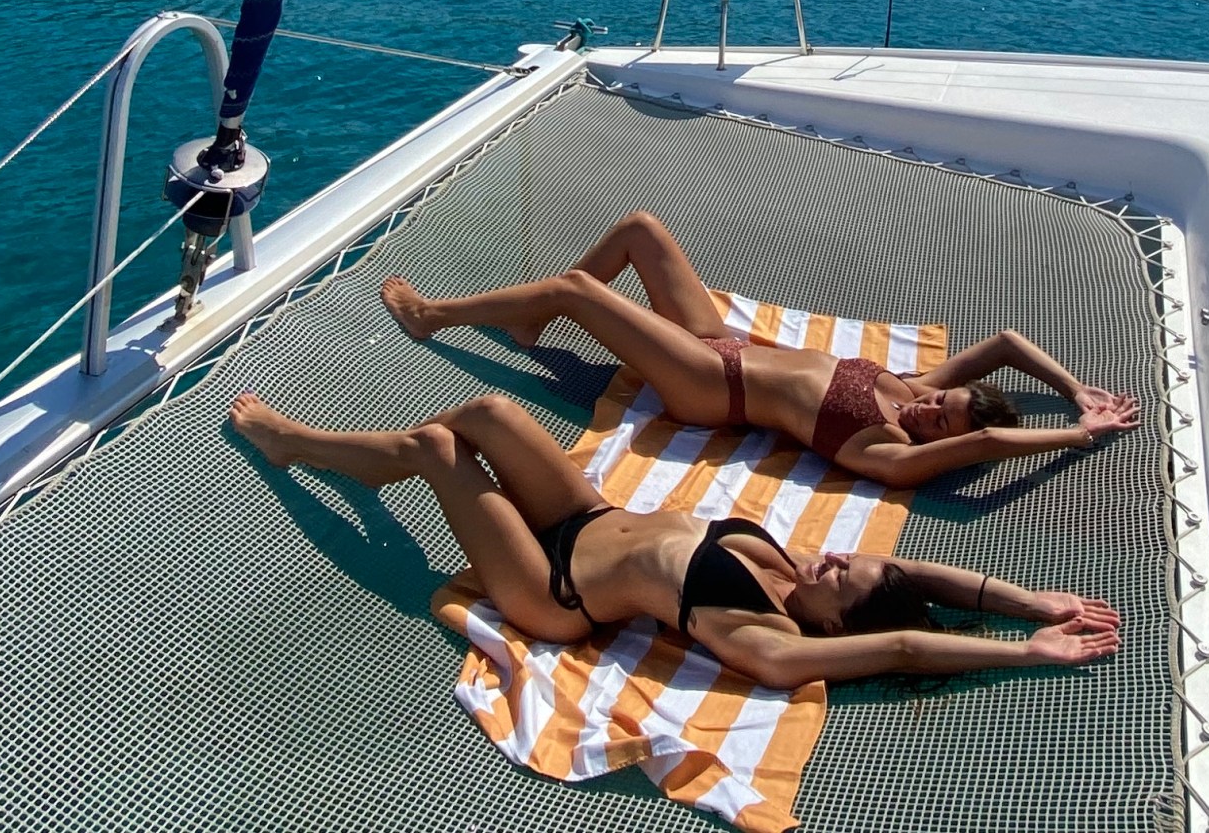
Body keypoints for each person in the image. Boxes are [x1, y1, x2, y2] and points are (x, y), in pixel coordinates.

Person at [228, 389, 1120, 686]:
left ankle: (302, 445)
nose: (837, 554)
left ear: (831, 625)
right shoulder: (803, 570)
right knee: (489, 414)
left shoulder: (763, 639)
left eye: (841, 577)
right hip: (584, 515)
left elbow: (898, 645)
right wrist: (1027, 600)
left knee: (436, 447)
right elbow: (926, 579)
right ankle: (381, 463)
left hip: (553, 589)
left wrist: (1028, 652)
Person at [381, 212, 1141, 487]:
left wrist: (1077, 434)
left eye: (941, 424)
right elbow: (1006, 344)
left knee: (579, 289)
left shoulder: (886, 454)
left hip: (712, 387)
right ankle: (528, 324)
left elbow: (996, 441)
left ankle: (434, 316)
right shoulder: (913, 388)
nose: (929, 412)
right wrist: (1076, 391)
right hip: (723, 344)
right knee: (640, 230)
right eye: (942, 404)